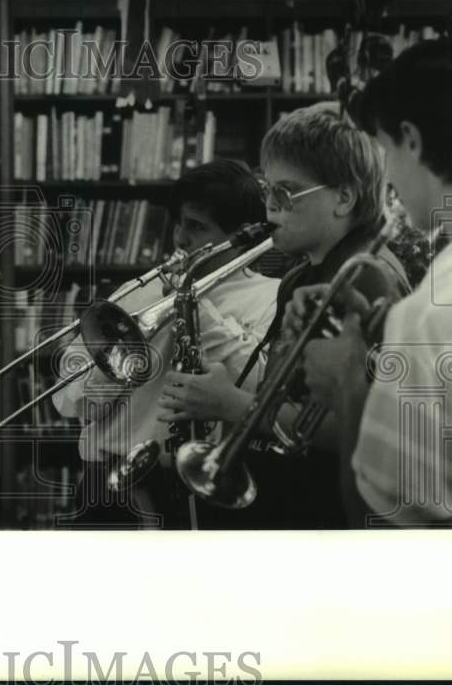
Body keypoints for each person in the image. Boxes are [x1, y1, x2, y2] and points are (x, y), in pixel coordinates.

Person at [157, 102, 411, 529]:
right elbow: (288, 397)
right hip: (287, 498)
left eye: (286, 193)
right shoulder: (300, 277)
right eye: (266, 189)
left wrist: (231, 404)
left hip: (326, 515)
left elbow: (365, 427)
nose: (269, 208)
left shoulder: (368, 277)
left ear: (343, 197)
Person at [289, 39, 452, 527]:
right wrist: (385, 325)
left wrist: (348, 385)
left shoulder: (433, 312)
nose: (388, 177)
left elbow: (383, 523)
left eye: (386, 150)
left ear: (411, 140)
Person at [52, 159, 279, 528]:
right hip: (111, 485)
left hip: (202, 489)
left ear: (241, 236)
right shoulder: (141, 290)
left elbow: (260, 389)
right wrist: (115, 368)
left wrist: (194, 306)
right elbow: (66, 397)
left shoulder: (271, 298)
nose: (180, 239)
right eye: (179, 223)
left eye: (196, 226)